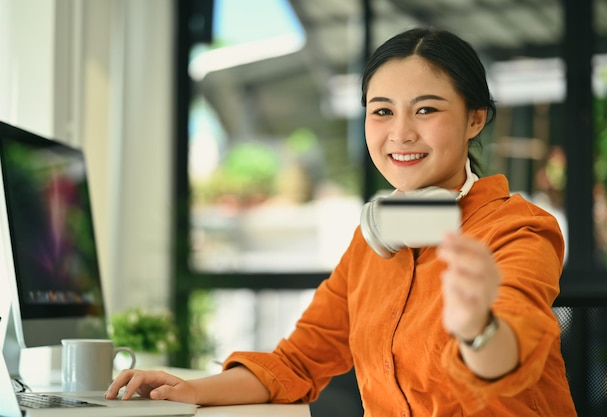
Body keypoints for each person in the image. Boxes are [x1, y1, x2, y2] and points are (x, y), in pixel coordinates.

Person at [105, 27, 578, 416]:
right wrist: (189, 391)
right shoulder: (372, 241)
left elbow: (513, 351)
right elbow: (298, 361)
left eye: (427, 109)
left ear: (475, 119)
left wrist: (479, 330)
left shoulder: (519, 229)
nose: (401, 133)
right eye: (382, 112)